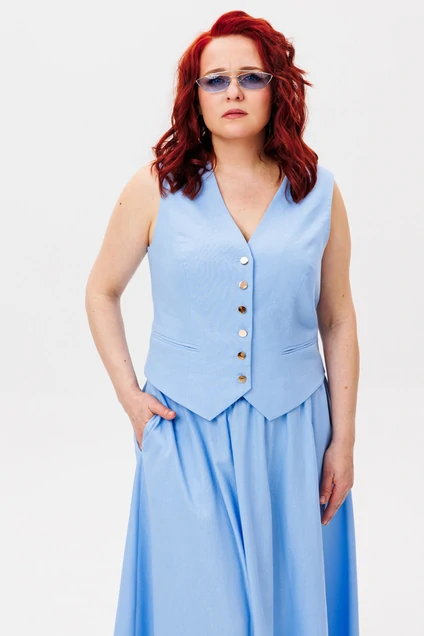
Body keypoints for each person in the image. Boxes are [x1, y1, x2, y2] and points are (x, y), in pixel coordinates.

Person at [85, 10, 360, 636]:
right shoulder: (155, 188)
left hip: (294, 436)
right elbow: (101, 291)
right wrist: (130, 398)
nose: (233, 91)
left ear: (276, 88)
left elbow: (338, 317)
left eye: (250, 77)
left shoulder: (319, 192)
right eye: (216, 80)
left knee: (289, 599)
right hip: (185, 433)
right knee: (197, 607)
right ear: (196, 95)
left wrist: (342, 441)